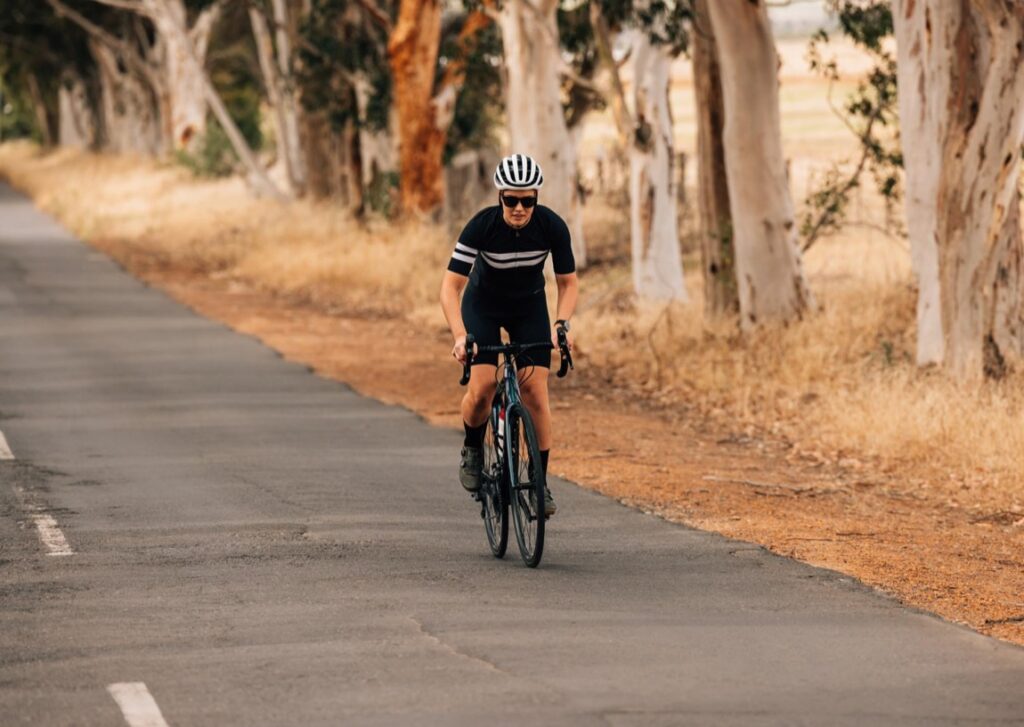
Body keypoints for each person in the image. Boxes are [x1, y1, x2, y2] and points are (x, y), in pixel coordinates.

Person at [439, 153, 579, 517]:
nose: (519, 208)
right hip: (483, 306)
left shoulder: (552, 227)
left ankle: (539, 482)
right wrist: (459, 335)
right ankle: (472, 447)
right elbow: (450, 287)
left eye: (527, 200)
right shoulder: (480, 227)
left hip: (528, 306)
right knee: (483, 387)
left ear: (536, 197)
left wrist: (562, 324)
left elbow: (568, 283)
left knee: (535, 391)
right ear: (500, 196)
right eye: (511, 200)